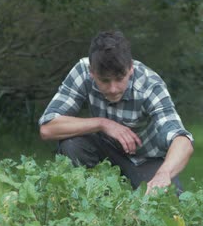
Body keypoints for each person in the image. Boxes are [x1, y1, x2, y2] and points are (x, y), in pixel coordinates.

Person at [38, 31, 193, 194]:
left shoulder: (150, 85)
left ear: (130, 68)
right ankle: (92, 199)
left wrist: (164, 174)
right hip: (104, 150)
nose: (113, 89)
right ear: (92, 72)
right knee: (72, 144)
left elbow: (182, 140)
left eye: (119, 79)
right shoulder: (82, 72)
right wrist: (102, 124)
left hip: (146, 159)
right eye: (104, 80)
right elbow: (48, 127)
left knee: (170, 197)